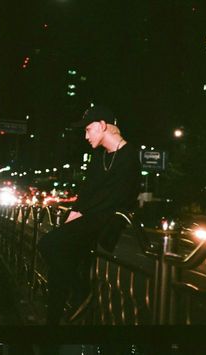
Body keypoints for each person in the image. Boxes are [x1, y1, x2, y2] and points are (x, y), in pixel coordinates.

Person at [38, 105, 140, 325]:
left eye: (88, 129)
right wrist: (67, 226)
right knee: (58, 265)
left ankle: (82, 292)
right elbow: (84, 196)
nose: (85, 136)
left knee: (49, 245)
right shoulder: (99, 157)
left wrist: (74, 225)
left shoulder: (130, 155)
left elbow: (120, 199)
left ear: (103, 126)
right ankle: (53, 325)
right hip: (88, 222)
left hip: (104, 222)